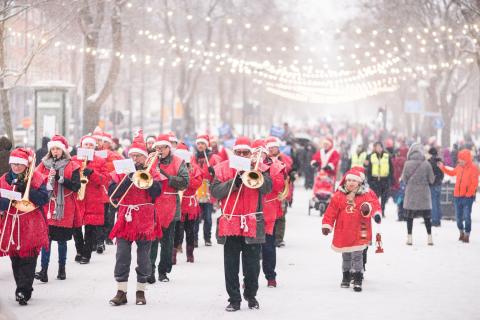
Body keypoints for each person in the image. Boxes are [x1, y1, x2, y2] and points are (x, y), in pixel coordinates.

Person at [210, 136, 272, 312]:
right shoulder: (222, 169)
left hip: (253, 221)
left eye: (246, 152)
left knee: (252, 266)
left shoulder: (260, 167)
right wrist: (235, 182)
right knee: (230, 265)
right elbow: (215, 191)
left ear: (251, 153)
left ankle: (251, 296)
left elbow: (267, 188)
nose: (243, 155)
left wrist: (256, 171)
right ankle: (234, 299)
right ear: (234, 152)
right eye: (239, 152)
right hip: (230, 222)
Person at [108, 130, 161, 306]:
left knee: (144, 257)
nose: (136, 159)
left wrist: (146, 179)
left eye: (139, 156)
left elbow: (157, 193)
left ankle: (140, 291)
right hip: (126, 217)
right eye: (133, 156)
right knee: (122, 255)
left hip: (145, 218)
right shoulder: (123, 170)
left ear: (145, 158)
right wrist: (128, 179)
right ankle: (121, 291)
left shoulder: (152, 171)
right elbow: (112, 193)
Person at [0, 148, 49, 305]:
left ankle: (23, 290)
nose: (16, 167)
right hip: (12, 223)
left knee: (28, 258)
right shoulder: (3, 179)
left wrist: (26, 190)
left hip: (31, 222)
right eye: (13, 164)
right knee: (15, 259)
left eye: (19, 164)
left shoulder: (36, 177)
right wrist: (10, 201)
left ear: (25, 165)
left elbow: (43, 198)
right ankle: (22, 286)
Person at [321, 168, 381, 292]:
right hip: (344, 231)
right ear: (345, 181)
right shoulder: (339, 195)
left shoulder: (365, 194)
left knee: (358, 256)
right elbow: (331, 211)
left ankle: (358, 278)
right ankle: (346, 277)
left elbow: (372, 204)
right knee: (346, 256)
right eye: (349, 180)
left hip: (359, 230)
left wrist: (370, 210)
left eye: (354, 180)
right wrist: (327, 225)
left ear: (359, 183)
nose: (351, 183)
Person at [35, 135, 81, 282]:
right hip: (48, 205)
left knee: (61, 241)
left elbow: (76, 186)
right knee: (46, 239)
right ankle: (44, 270)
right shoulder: (43, 164)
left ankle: (62, 269)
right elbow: (36, 182)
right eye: (53, 149)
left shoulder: (72, 165)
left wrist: (60, 179)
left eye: (58, 149)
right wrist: (45, 179)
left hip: (64, 207)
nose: (55, 152)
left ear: (63, 150)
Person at [149, 134, 189, 283]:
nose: (159, 150)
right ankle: (150, 270)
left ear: (168, 148)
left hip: (170, 203)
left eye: (162, 148)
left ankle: (163, 271)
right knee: (151, 241)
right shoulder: (151, 160)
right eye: (157, 148)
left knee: (167, 242)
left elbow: (185, 182)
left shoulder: (179, 162)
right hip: (153, 203)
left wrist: (167, 176)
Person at [72, 135, 109, 264]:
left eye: (91, 145)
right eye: (86, 145)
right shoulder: (73, 160)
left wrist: (92, 173)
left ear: (94, 147)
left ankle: (86, 254)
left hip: (93, 199)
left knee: (90, 229)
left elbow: (104, 180)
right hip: (77, 198)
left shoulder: (100, 161)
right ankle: (79, 249)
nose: (88, 147)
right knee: (75, 227)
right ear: (81, 146)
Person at [255, 139, 286, 288]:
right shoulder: (246, 165)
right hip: (250, 212)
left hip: (268, 211)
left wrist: (265, 172)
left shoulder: (276, 166)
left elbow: (279, 185)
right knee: (251, 250)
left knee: (268, 247)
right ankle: (249, 278)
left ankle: (270, 276)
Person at [439, 149, 479, 243]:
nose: (459, 161)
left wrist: (468, 194)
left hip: (468, 198)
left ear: (467, 159)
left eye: (461, 159)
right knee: (458, 217)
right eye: (459, 159)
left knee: (467, 216)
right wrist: (443, 168)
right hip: (457, 196)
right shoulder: (459, 167)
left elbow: (474, 184)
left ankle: (467, 234)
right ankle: (461, 232)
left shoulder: (474, 169)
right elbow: (452, 173)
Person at [173, 143, 202, 263]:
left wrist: (187, 178)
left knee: (190, 231)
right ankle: (173, 254)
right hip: (177, 202)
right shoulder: (173, 167)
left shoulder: (194, 168)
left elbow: (198, 184)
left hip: (189, 204)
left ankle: (190, 254)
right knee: (177, 231)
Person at [400, 143, 435, 246]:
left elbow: (404, 179)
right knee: (427, 218)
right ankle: (430, 238)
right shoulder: (426, 164)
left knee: (409, 217)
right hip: (424, 194)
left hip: (411, 194)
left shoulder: (407, 164)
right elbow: (431, 180)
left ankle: (409, 238)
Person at [191, 134, 221, 247]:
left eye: (202, 143)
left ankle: (207, 238)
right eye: (198, 143)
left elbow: (218, 173)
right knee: (196, 217)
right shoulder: (193, 157)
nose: (200, 145)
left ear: (206, 145)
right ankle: (194, 239)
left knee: (208, 217)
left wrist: (212, 171)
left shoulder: (212, 157)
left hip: (208, 189)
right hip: (197, 188)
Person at [265, 136, 295, 248]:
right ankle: (269, 236)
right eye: (270, 147)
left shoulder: (285, 159)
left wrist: (292, 174)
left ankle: (279, 238)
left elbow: (291, 171)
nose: (272, 149)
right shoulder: (263, 159)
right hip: (269, 193)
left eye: (274, 147)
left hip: (282, 191)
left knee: (281, 216)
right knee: (269, 216)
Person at [366, 141, 394, 217]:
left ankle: (382, 210)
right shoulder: (371, 156)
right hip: (374, 180)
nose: (378, 148)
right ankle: (375, 211)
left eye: (380, 147)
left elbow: (391, 168)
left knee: (384, 198)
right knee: (375, 198)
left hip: (384, 180)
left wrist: (391, 179)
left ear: (382, 147)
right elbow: (369, 169)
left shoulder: (387, 156)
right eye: (377, 147)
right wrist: (369, 180)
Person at [428, 146, 444, 227]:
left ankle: (434, 220)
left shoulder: (430, 161)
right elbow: (442, 172)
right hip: (439, 184)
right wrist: (440, 179)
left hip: (433, 184)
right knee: (437, 203)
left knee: (433, 203)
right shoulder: (440, 161)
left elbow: (428, 174)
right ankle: (438, 219)